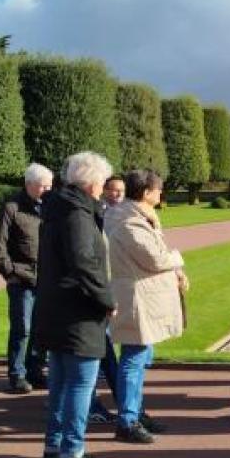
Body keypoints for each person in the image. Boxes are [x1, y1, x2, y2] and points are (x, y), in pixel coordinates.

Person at [33, 152, 116, 458]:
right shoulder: (77, 214)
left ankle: (56, 447)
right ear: (93, 182)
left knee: (60, 383)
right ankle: (71, 454)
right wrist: (106, 299)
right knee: (80, 384)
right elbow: (84, 263)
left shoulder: (59, 208)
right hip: (77, 310)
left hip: (57, 305)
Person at [108, 170, 187, 444]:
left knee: (139, 358)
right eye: (158, 190)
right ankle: (127, 420)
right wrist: (177, 259)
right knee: (133, 357)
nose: (160, 194)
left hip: (142, 295)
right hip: (136, 298)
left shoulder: (136, 216)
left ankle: (135, 413)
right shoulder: (127, 220)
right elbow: (154, 257)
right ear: (145, 193)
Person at [0, 163, 53, 394]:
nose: (47, 190)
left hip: (45, 279)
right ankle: (17, 374)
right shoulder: (11, 208)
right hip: (22, 279)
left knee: (41, 329)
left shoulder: (49, 207)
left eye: (49, 186)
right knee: (22, 328)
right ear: (29, 185)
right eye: (42, 186)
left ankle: (35, 370)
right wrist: (11, 273)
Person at [87, 174, 127, 425]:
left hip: (106, 287)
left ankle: (121, 402)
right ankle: (96, 405)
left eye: (120, 191)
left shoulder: (117, 215)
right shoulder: (93, 215)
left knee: (104, 351)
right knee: (99, 352)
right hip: (95, 291)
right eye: (111, 189)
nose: (116, 194)